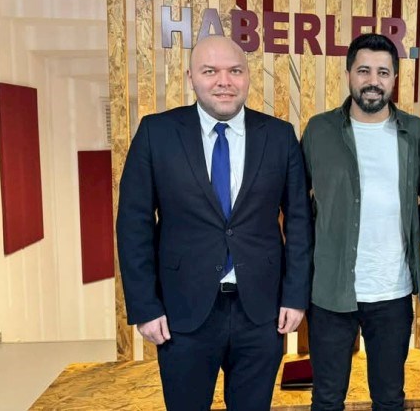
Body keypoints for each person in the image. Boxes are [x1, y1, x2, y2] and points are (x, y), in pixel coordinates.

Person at [116, 35, 312, 410]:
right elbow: (133, 225)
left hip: (261, 313)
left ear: (247, 76)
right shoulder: (156, 133)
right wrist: (145, 306)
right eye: (210, 71)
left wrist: (295, 296)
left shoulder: (279, 136)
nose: (224, 81)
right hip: (182, 313)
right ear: (191, 77)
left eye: (235, 71)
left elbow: (300, 222)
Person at [300, 33, 420, 411]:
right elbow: (298, 204)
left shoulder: (415, 133)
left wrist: (413, 231)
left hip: (392, 293)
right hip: (331, 293)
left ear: (394, 78)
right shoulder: (319, 130)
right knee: (326, 399)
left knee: (390, 399)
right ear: (348, 74)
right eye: (364, 70)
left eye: (383, 72)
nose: (373, 81)